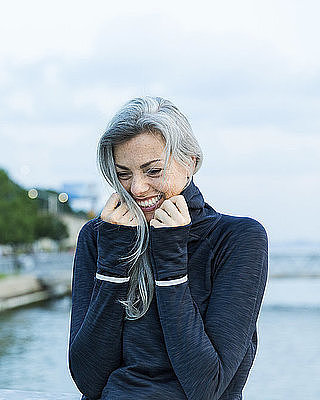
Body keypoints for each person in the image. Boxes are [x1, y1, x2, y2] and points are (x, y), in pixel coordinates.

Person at [68, 96, 268, 400]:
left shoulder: (238, 238)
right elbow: (88, 380)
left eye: (153, 171)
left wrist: (171, 263)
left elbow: (207, 386)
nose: (137, 188)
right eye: (124, 174)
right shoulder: (99, 238)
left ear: (190, 161)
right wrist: (114, 266)